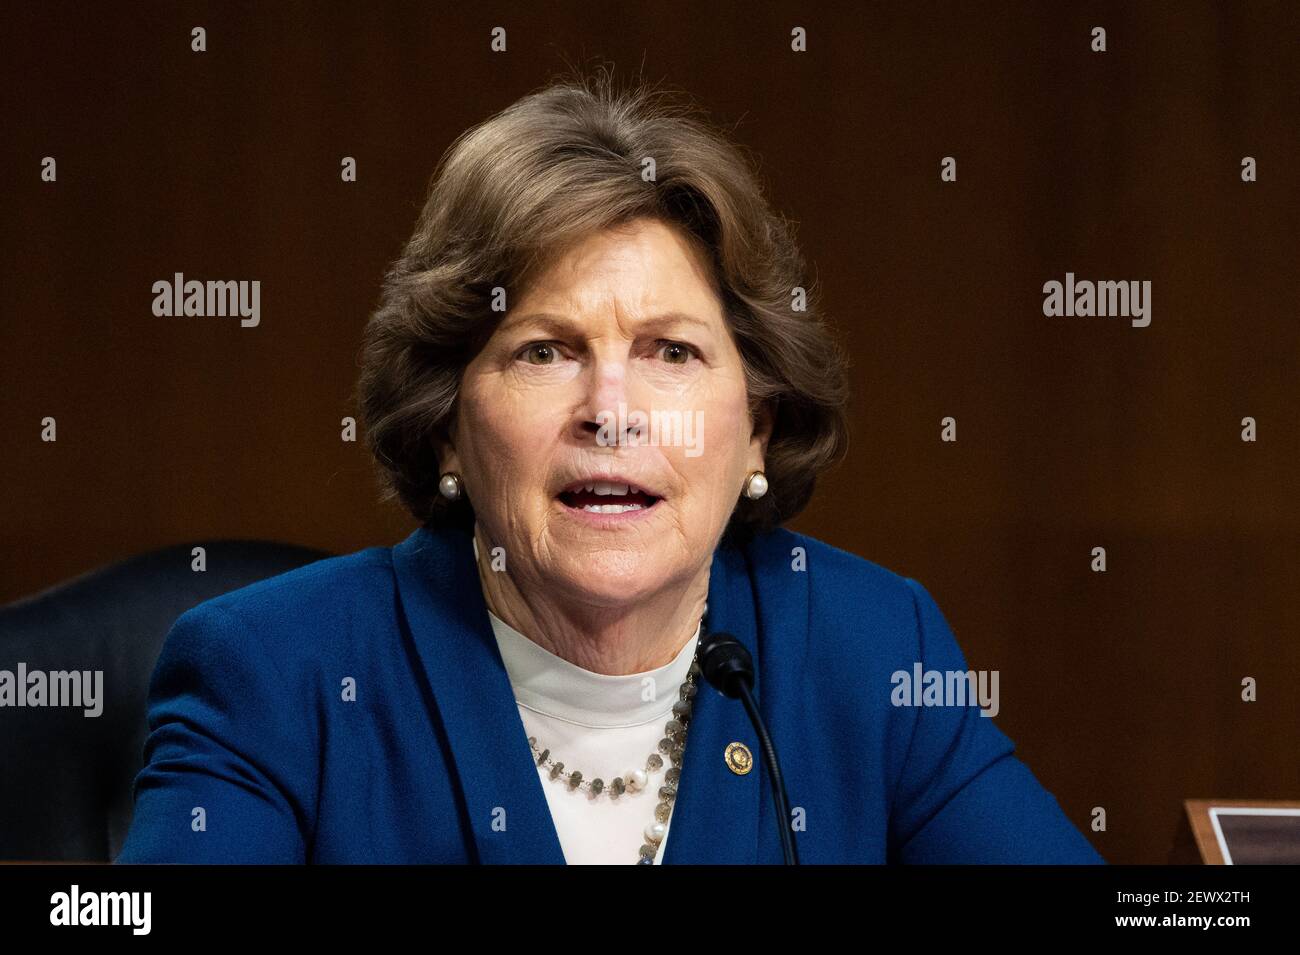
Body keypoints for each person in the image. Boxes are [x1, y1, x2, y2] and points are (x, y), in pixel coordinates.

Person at [116, 71, 1104, 865]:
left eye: (672, 352)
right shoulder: (275, 672)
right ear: (447, 424)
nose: (611, 413)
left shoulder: (870, 647)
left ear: (758, 425)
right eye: (544, 350)